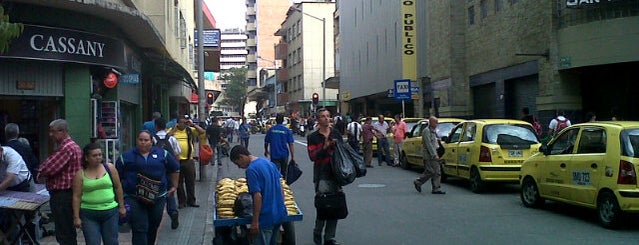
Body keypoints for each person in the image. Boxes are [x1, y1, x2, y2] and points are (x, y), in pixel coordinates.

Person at [116, 130, 180, 245]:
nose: (143, 143)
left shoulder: (162, 154)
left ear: (151, 141)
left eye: (146, 140)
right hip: (134, 198)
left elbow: (175, 168)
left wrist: (174, 186)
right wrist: (120, 201)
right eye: (140, 140)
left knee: (153, 226)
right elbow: (117, 178)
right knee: (140, 228)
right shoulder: (125, 157)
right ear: (136, 141)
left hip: (157, 197)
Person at [230, 145, 287, 245]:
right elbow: (281, 186)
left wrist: (255, 221)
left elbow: (257, 196)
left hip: (265, 218)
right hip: (278, 214)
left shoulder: (251, 170)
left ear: (241, 157)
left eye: (237, 164)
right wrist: (281, 206)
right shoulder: (268, 162)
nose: (239, 167)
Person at [37, 119, 82, 244]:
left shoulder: (66, 148)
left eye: (53, 132)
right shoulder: (71, 146)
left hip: (63, 195)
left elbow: (48, 168)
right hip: (67, 194)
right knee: (67, 230)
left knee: (64, 232)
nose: (50, 135)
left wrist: (41, 172)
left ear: (62, 131)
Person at [72, 143, 126, 245]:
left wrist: (122, 206)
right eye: (94, 155)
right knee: (92, 242)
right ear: (87, 158)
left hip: (110, 211)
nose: (98, 158)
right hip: (88, 213)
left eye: (100, 155)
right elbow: (76, 196)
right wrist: (76, 217)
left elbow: (118, 187)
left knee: (112, 241)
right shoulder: (80, 174)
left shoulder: (110, 168)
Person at [307, 108, 344, 245]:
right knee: (323, 205)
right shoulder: (313, 137)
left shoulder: (336, 133)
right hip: (321, 174)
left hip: (336, 174)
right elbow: (312, 156)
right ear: (318, 119)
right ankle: (318, 230)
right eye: (323, 116)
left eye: (328, 116)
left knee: (335, 206)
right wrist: (325, 146)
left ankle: (329, 237)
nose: (326, 118)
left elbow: (342, 151)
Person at [264, 114, 296, 245]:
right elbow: (291, 144)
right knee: (283, 175)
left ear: (275, 120)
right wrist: (293, 157)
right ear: (283, 120)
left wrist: (266, 150)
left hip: (275, 156)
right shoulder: (286, 130)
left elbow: (266, 142)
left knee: (275, 176)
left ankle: (278, 190)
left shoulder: (271, 129)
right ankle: (283, 191)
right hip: (284, 156)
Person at [169, 114, 205, 208]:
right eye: (181, 122)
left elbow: (202, 132)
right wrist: (174, 129)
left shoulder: (189, 130)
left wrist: (193, 124)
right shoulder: (173, 131)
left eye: (185, 122)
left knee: (190, 181)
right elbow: (166, 136)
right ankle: (182, 202)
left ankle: (191, 201)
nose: (183, 124)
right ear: (177, 123)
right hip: (176, 160)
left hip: (188, 160)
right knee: (179, 183)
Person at [155, 117, 182, 229]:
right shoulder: (172, 139)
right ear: (165, 126)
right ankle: (173, 211)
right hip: (170, 171)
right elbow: (177, 153)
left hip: (157, 171)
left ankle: (157, 214)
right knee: (170, 190)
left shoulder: (152, 139)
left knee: (157, 191)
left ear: (156, 126)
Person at [414, 116, 446, 195]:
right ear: (431, 122)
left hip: (435, 153)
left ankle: (436, 188)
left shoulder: (434, 131)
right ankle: (418, 181)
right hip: (429, 155)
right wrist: (434, 155)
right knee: (430, 171)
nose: (437, 124)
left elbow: (434, 143)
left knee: (437, 171)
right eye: (435, 122)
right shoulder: (426, 131)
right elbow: (429, 144)